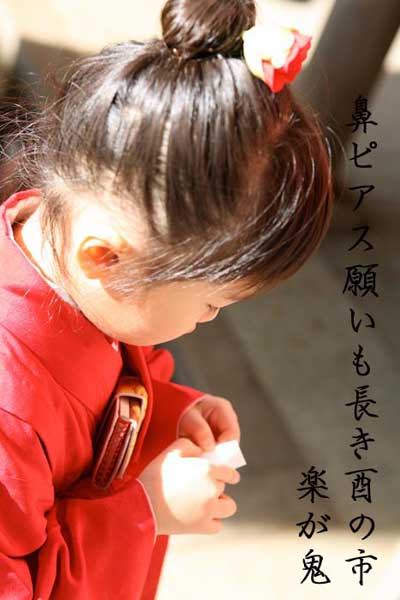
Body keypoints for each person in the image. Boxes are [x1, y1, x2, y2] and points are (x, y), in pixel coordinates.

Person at [0, 0, 334, 598]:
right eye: (212, 303)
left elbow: (112, 377)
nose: (210, 319)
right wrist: (144, 510)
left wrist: (165, 415)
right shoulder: (9, 410)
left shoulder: (66, 260)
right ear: (106, 258)